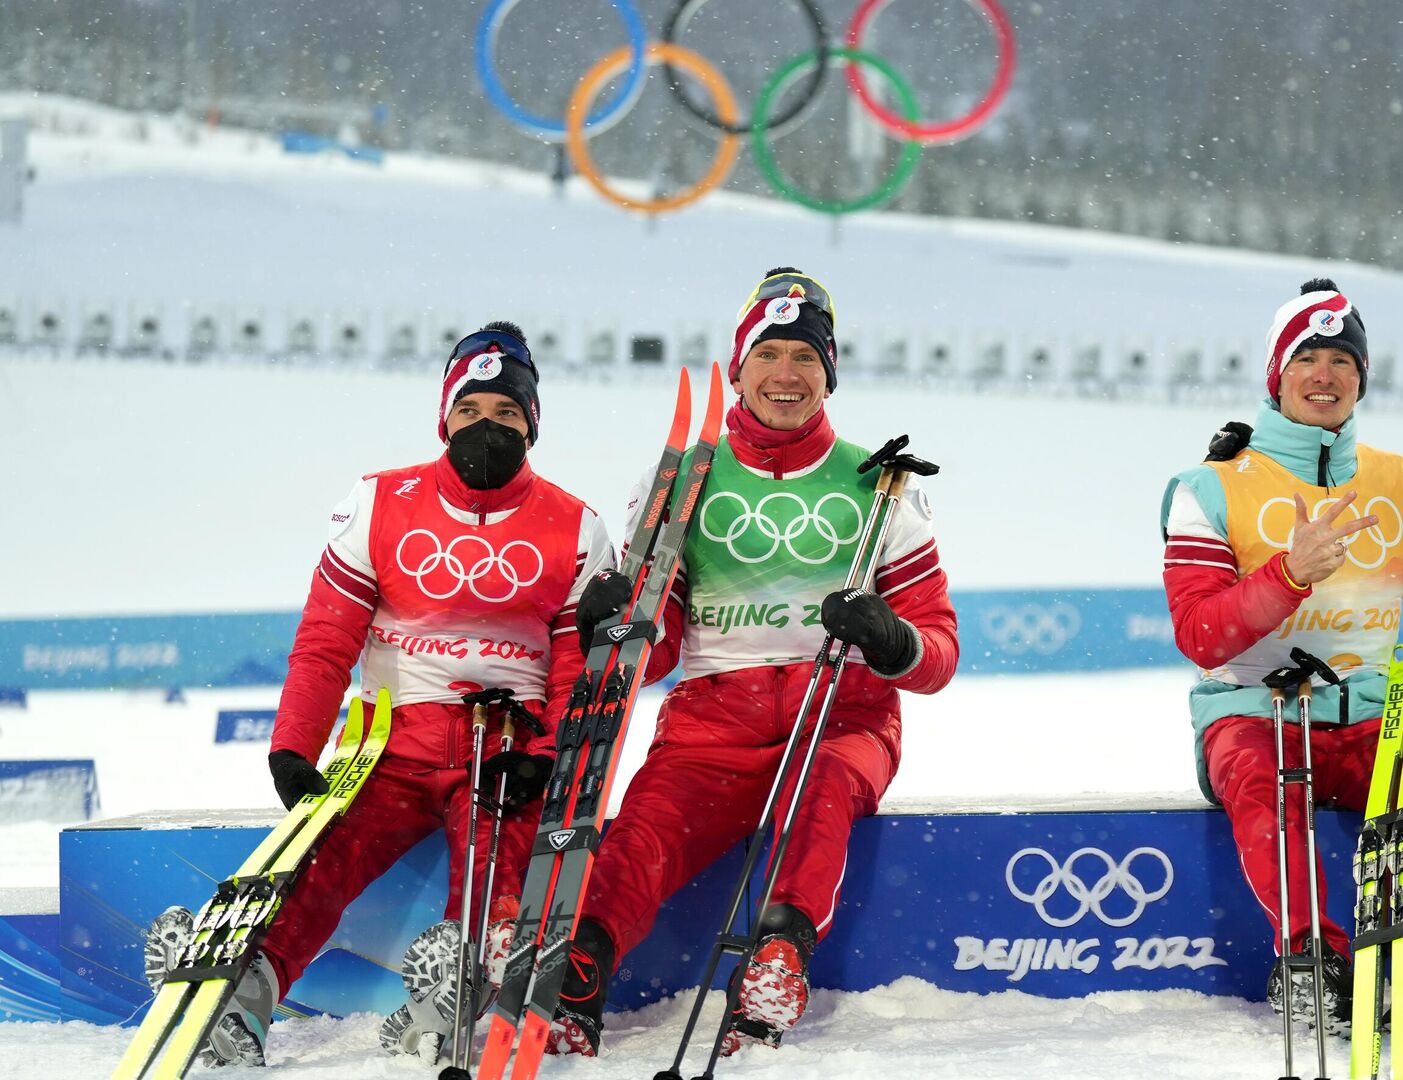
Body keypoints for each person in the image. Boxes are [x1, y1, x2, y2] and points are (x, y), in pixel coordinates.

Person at [143, 322, 612, 1067]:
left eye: (506, 414)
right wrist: (295, 745)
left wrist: (549, 757)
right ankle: (243, 997)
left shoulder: (578, 526)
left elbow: (574, 668)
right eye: (470, 411)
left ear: (532, 424)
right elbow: (327, 638)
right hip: (391, 740)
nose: (486, 428)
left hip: (505, 743)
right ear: (444, 416)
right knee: (322, 861)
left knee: (498, 874)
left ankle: (454, 1000)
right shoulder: (378, 502)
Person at [546, 268, 959, 1058]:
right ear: (738, 368)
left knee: (823, 792)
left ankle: (777, 962)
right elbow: (657, 648)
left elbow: (938, 653)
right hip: (712, 720)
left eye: (806, 357)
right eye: (769, 353)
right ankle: (582, 971)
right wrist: (615, 622)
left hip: (840, 713)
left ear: (828, 374)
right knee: (645, 833)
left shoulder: (881, 485)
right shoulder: (678, 482)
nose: (787, 374)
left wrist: (889, 637)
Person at [1161, 278, 1403, 1041]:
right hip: (1256, 712)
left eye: (1343, 360)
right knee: (1263, 774)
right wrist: (1289, 575)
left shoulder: (1397, 483)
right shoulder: (1210, 487)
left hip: (1369, 714)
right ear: (1275, 376)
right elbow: (1201, 634)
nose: (1326, 374)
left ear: (1362, 378)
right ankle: (1312, 956)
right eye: (1308, 357)